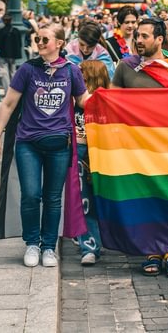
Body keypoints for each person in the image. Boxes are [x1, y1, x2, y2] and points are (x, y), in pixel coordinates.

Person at [0, 24, 88, 268]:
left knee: (53, 197)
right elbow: (9, 103)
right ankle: (32, 243)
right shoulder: (27, 70)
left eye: (45, 39)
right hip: (28, 144)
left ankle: (48, 247)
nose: (40, 43)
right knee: (31, 195)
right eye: (37, 39)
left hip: (59, 144)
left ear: (60, 43)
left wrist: (114, 97)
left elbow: (84, 100)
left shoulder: (71, 71)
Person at [113, 18, 168, 277]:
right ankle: (151, 250)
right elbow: (112, 103)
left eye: (145, 36)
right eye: (137, 35)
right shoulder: (125, 66)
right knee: (146, 198)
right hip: (138, 145)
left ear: (160, 39)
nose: (139, 40)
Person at [73, 59, 109, 266]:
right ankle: (89, 247)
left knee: (101, 201)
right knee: (84, 201)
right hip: (79, 154)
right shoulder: (73, 103)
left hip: (102, 155)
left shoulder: (107, 102)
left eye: (82, 78)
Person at [0, 14, 23, 85]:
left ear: (4, 21)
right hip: (13, 55)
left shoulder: (1, 31)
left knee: (4, 72)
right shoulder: (16, 31)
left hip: (3, 54)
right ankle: (15, 86)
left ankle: (7, 88)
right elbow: (20, 43)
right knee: (13, 71)